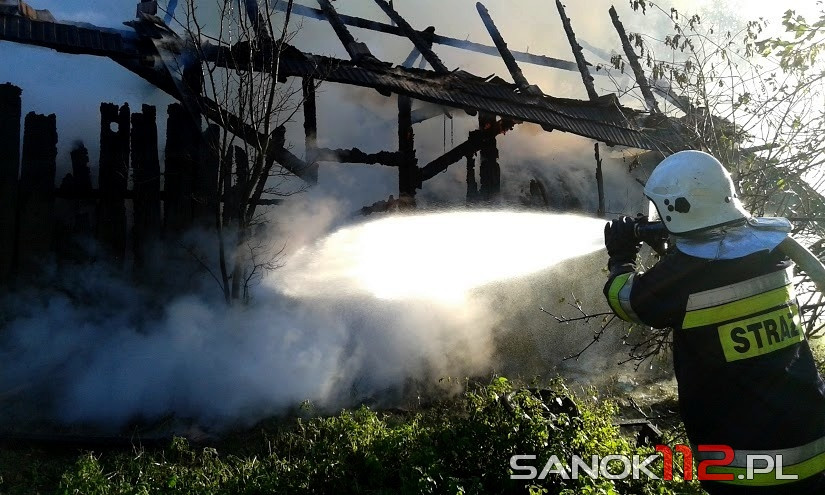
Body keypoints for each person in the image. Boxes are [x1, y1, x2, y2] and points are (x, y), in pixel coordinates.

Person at [603, 150, 825, 494]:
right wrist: (672, 251)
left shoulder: (684, 276)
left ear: (677, 207)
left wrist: (621, 259)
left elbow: (630, 301)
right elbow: (712, 269)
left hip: (747, 465)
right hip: (813, 445)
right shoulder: (771, 250)